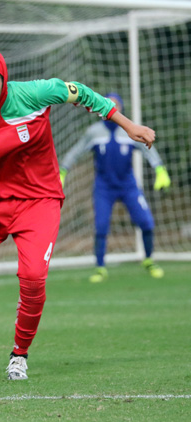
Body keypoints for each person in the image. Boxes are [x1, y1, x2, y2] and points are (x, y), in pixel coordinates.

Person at [0, 46, 155, 382]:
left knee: (33, 277)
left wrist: (127, 124)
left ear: (4, 79)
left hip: (39, 202)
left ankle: (19, 355)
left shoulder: (37, 93)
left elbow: (81, 93)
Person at [59, 92, 171, 283]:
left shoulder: (129, 130)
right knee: (101, 227)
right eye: (108, 104)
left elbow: (148, 149)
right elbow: (75, 153)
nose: (113, 108)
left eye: (116, 105)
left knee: (146, 223)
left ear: (121, 107)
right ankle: (100, 268)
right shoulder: (94, 132)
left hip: (128, 186)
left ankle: (149, 260)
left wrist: (160, 169)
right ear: (100, 108)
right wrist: (62, 172)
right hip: (104, 188)